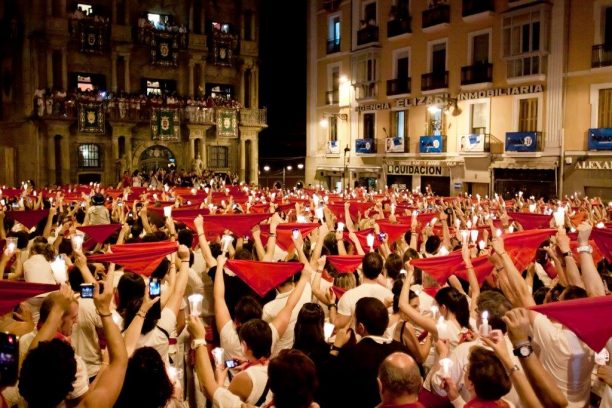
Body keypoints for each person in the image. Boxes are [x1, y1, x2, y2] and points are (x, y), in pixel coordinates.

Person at [331, 297, 410, 408]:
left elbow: (331, 384)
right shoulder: (403, 351)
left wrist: (336, 347)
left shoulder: (351, 354)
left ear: (360, 327)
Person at [334, 252, 393, 329]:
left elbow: (337, 325)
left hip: (357, 340)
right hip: (382, 340)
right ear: (380, 271)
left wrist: (331, 305)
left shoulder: (348, 296)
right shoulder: (389, 295)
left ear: (362, 269)